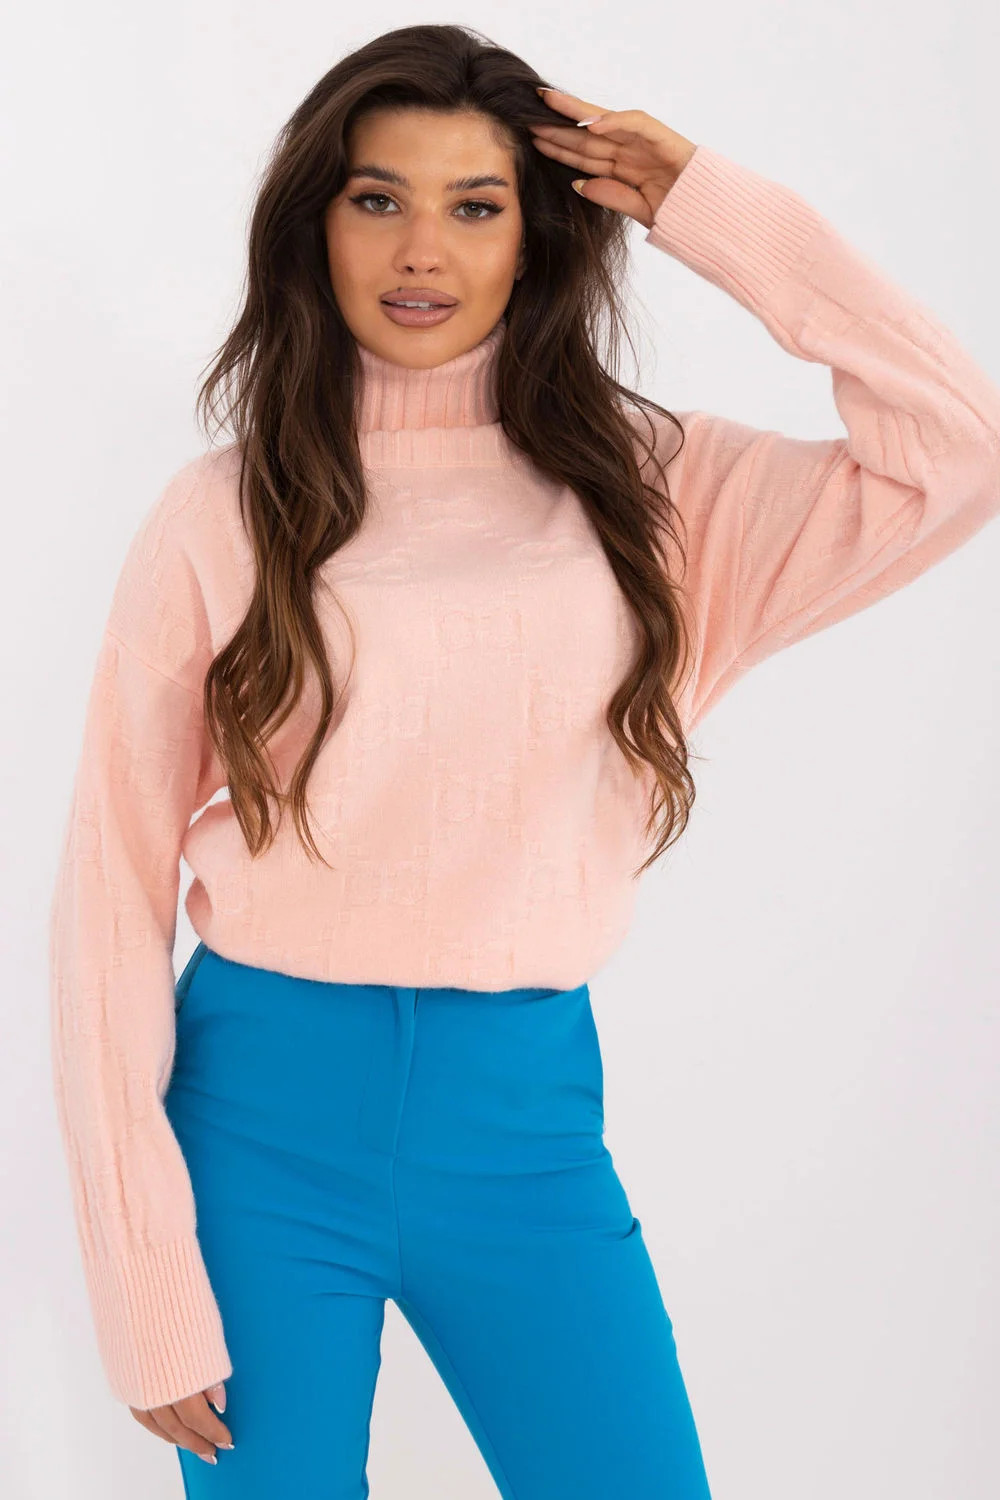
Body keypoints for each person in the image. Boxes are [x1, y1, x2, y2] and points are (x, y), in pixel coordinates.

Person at [48, 22, 1000, 1499]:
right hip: (258, 1128)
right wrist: (141, 1273)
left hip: (526, 1131)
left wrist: (715, 210)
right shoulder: (225, 510)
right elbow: (109, 888)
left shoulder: (655, 492)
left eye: (476, 205)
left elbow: (958, 449)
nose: (422, 250)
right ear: (315, 222)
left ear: (536, 234)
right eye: (378, 197)